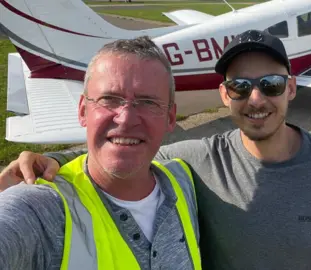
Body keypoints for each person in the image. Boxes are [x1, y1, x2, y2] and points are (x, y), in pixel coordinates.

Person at [0, 29, 311, 269]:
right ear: (225, 95)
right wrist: (54, 160)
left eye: (272, 84)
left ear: (291, 88)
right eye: (241, 86)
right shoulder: (194, 160)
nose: (256, 98)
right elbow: (124, 152)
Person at [0, 36, 201, 269]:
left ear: (170, 117)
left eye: (147, 102)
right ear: (83, 111)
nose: (126, 119)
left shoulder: (183, 178)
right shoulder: (40, 209)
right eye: (110, 99)